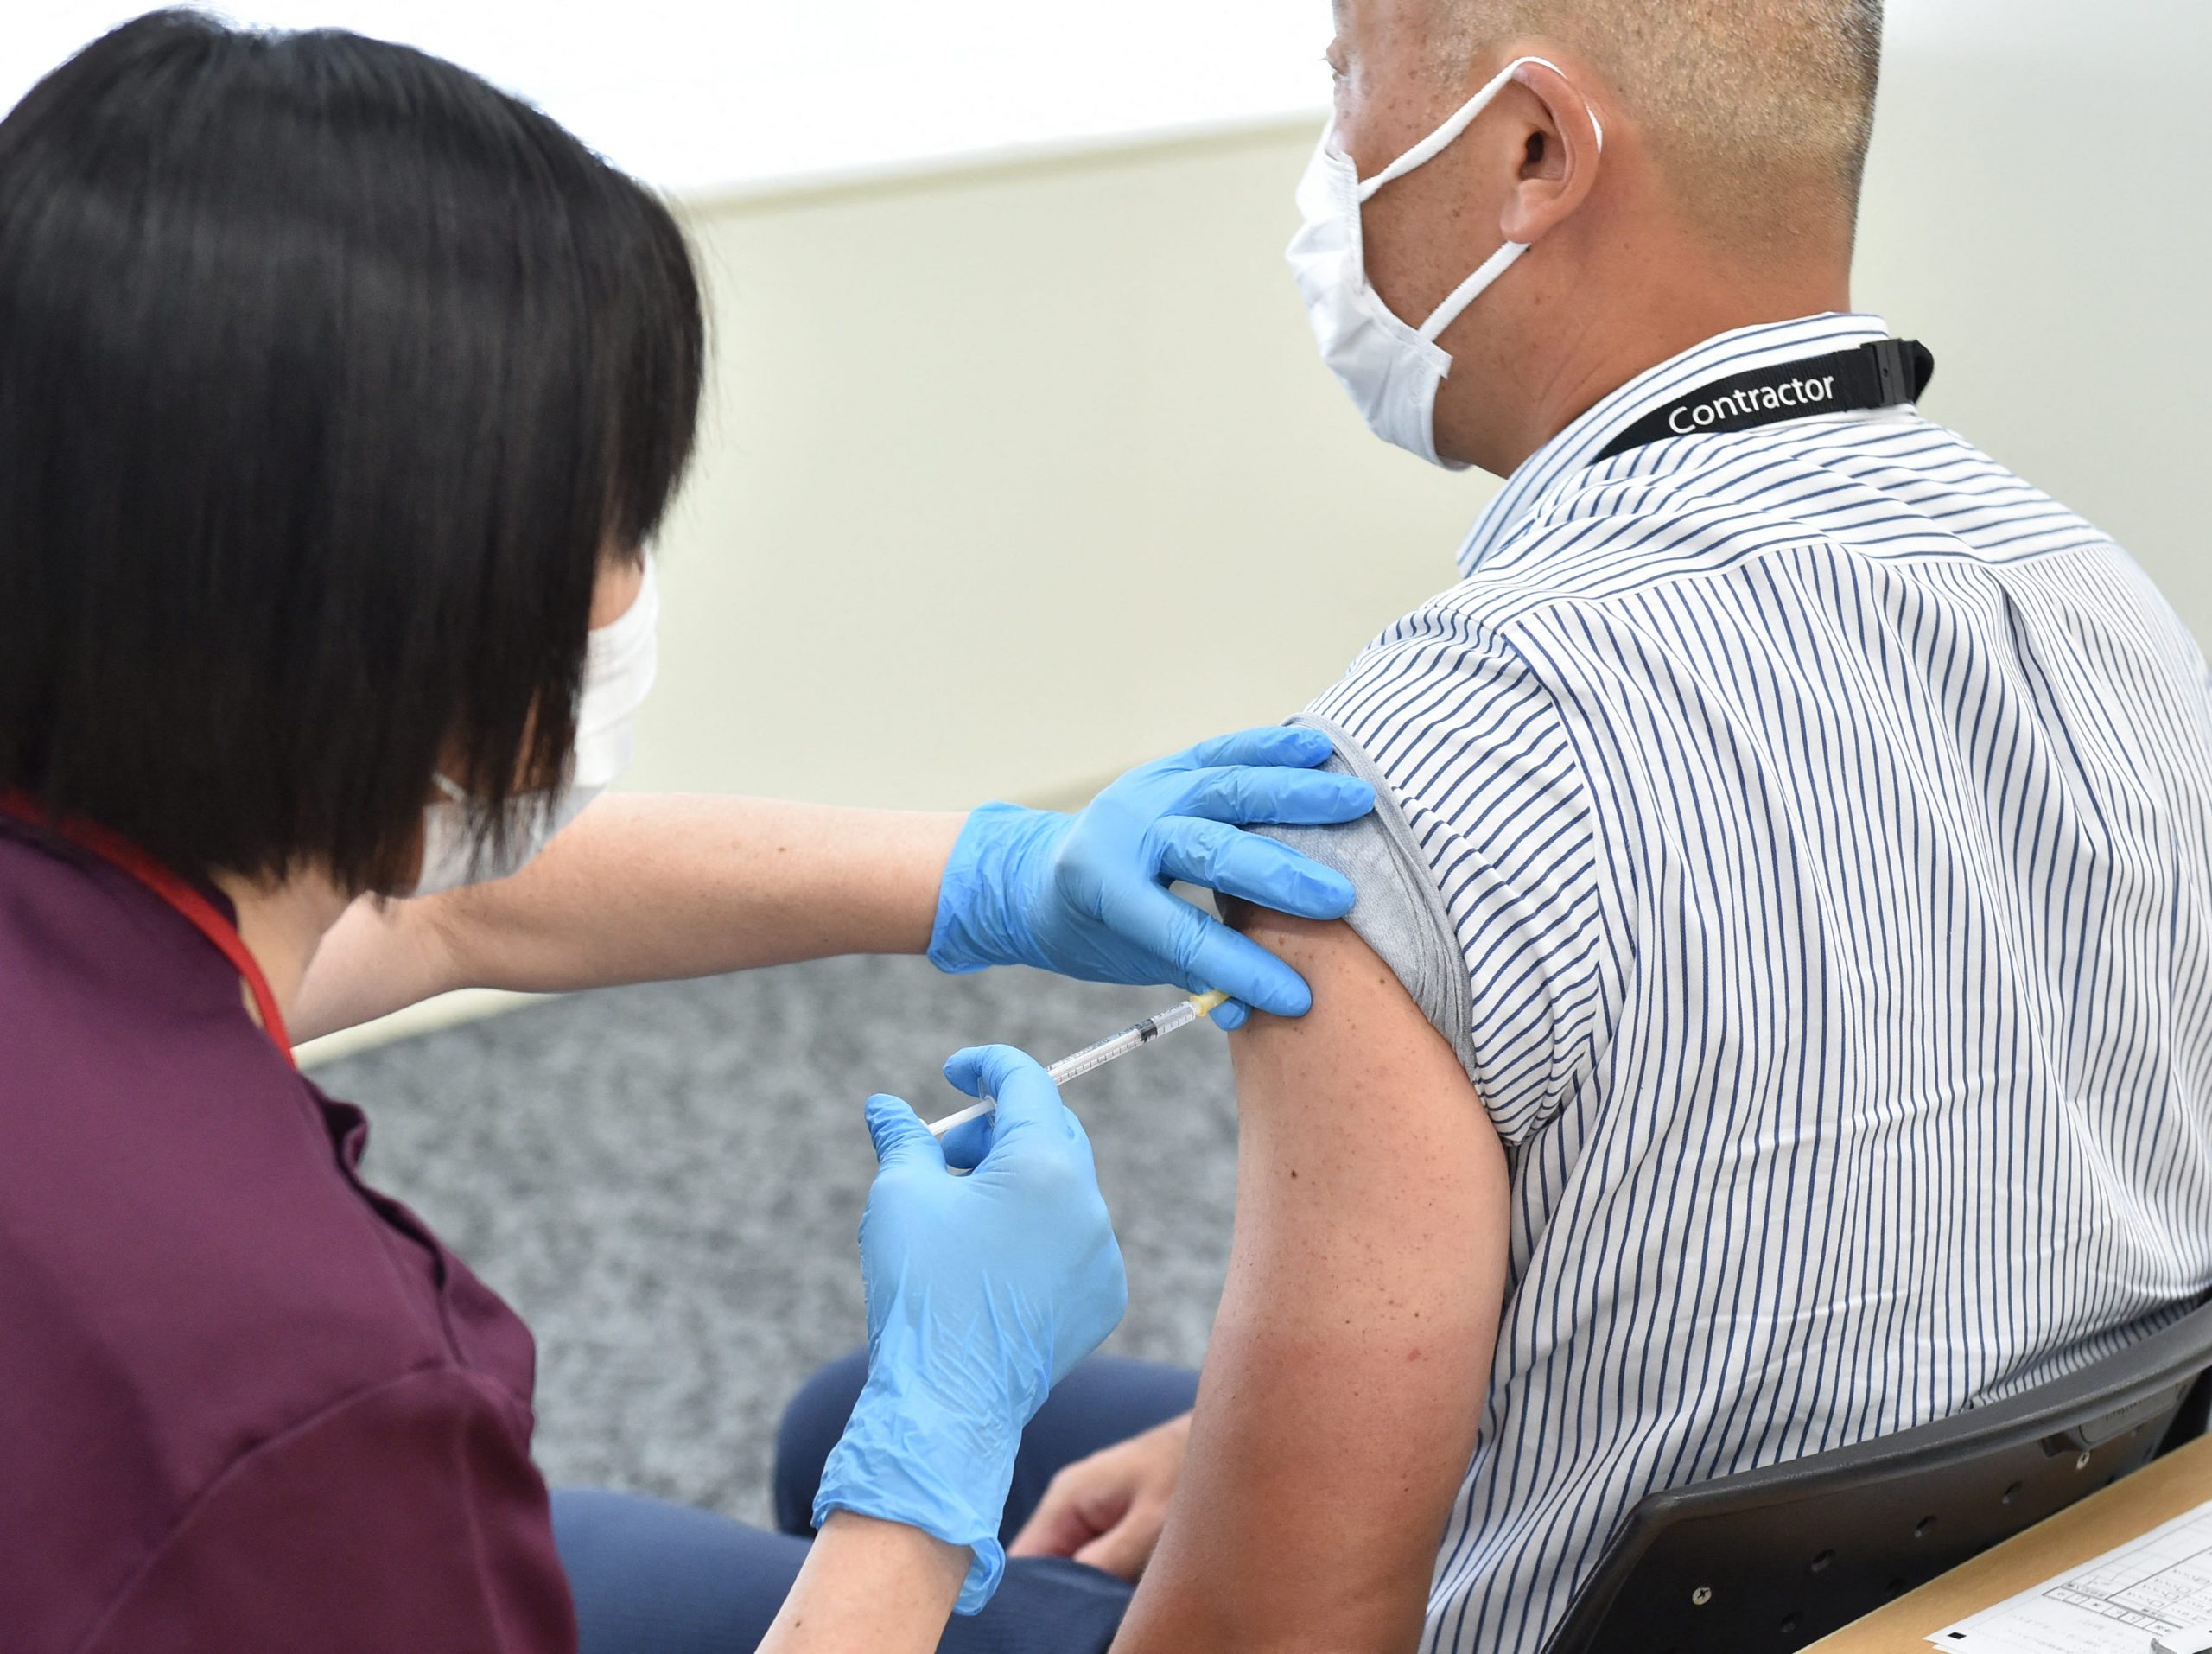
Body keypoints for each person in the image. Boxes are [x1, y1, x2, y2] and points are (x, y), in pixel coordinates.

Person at [790, 3, 2212, 1652]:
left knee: (830, 1440)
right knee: (875, 1410)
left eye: (1346, 92)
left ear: (1534, 150)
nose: (1335, 168)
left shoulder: (1424, 763)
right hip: (1999, 1581)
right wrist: (1278, 1446)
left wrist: (923, 1457)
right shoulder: (2110, 608)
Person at [0, 11, 1376, 1652]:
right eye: (615, 523)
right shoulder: (311, 1403)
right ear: (415, 618)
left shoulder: (95, 909)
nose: (634, 589)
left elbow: (445, 915)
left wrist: (997, 871)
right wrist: (928, 1457)